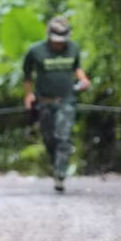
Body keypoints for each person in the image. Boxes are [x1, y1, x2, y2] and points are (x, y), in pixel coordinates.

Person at [23, 17, 91, 192]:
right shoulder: (36, 51)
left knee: (63, 137)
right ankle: (56, 165)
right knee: (49, 139)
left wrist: (83, 80)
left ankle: (60, 173)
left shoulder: (73, 48)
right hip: (45, 101)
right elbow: (27, 75)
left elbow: (77, 67)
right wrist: (28, 94)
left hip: (67, 100)